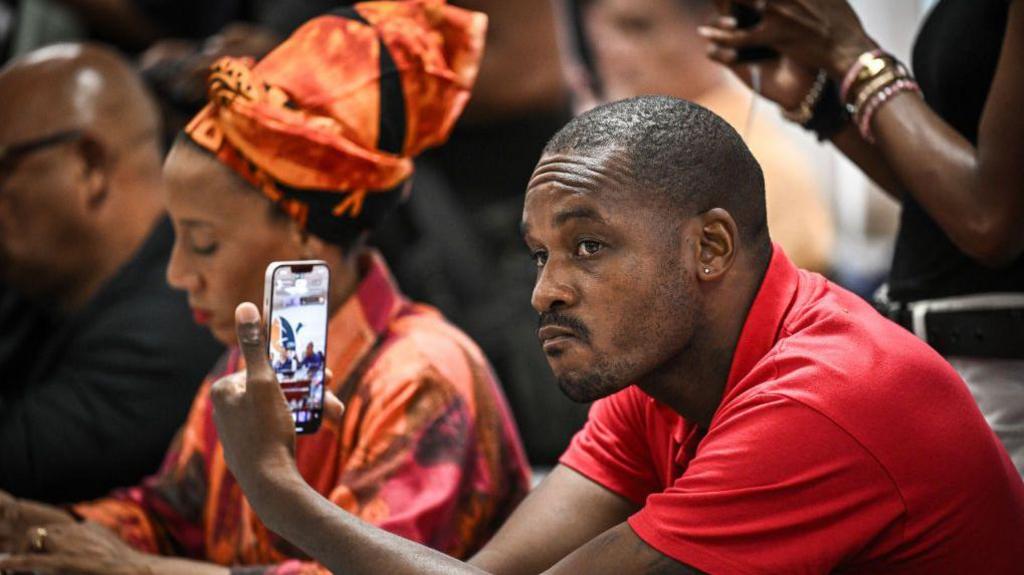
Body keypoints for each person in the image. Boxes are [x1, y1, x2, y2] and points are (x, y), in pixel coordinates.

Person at [19, 96, 1016, 574]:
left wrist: (274, 487)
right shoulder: (659, 369)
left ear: (712, 245)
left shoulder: (819, 397)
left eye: (586, 247)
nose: (546, 291)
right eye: (540, 255)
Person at [0, 3, 530, 573]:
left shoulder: (423, 376)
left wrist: (137, 569)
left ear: (303, 233)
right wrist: (37, 527)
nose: (178, 274)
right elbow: (164, 515)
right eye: (176, 240)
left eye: (203, 243)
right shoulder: (244, 368)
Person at [699, 0, 1024, 476]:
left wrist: (852, 53)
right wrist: (819, 101)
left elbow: (990, 222)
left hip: (1005, 388)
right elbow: (939, 201)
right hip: (946, 375)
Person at [0, 43, 223, 503]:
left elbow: (15, 467)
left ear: (90, 165)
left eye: (2, 169)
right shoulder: (46, 280)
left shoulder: (177, 323)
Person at [560, 0, 834, 273]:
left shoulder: (737, 152)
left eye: (637, 27)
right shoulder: (642, 138)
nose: (608, 51)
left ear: (712, 29)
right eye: (598, 32)